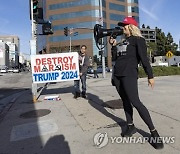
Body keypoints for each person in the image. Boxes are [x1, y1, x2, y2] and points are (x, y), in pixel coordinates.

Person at [109, 17, 164, 149]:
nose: (123, 28)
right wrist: (113, 46)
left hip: (129, 74)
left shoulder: (138, 40)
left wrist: (150, 75)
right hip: (117, 75)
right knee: (125, 101)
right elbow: (116, 58)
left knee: (136, 102)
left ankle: (154, 132)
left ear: (131, 27)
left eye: (125, 26)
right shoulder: (123, 41)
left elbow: (144, 59)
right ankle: (130, 126)